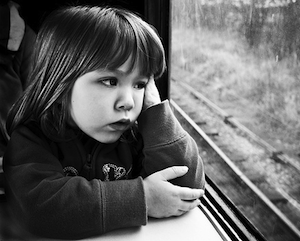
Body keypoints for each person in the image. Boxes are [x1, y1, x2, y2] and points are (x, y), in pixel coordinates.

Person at [3, 5, 205, 240]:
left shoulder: (134, 136)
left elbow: (186, 186)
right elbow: (38, 208)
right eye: (110, 81)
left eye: (139, 84)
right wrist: (144, 199)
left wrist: (155, 113)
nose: (128, 102)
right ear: (60, 82)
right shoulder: (32, 139)